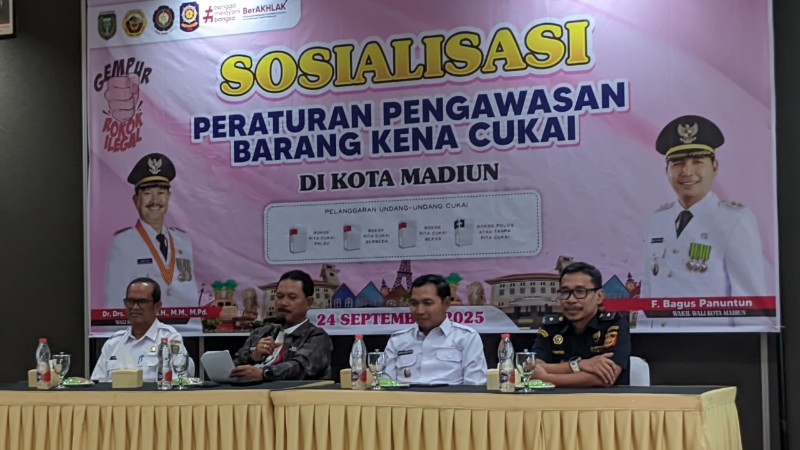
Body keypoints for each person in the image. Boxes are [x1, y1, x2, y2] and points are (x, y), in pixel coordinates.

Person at [640, 115, 766, 327]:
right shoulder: (658, 220)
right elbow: (648, 290)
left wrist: (746, 343)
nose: (687, 172)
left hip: (711, 341)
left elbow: (749, 302)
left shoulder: (734, 220)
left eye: (697, 162)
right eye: (678, 163)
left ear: (714, 166)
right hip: (659, 339)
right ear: (666, 170)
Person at [104, 153, 199, 308]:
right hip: (144, 323)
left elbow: (190, 295)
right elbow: (116, 301)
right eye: (147, 193)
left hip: (183, 323)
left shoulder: (183, 241)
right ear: (136, 200)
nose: (155, 201)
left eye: (160, 193)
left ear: (169, 196)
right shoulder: (123, 243)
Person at [531, 262, 630, 387]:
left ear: (599, 296)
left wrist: (546, 378)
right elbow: (533, 368)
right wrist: (579, 365)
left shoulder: (614, 323)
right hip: (556, 398)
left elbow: (606, 377)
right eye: (565, 292)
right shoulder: (552, 326)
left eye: (580, 292)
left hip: (604, 398)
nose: (571, 300)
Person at [383, 274, 487, 385]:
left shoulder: (467, 338)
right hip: (403, 396)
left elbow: (475, 387)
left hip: (450, 396)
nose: (419, 311)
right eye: (414, 303)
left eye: (427, 303)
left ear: (446, 303)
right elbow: (385, 384)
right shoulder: (397, 340)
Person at [231, 270, 332, 381]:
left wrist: (264, 373)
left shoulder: (317, 336)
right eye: (279, 296)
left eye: (292, 297)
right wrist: (253, 357)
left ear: (309, 302)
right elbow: (233, 367)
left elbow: (300, 367)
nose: (283, 303)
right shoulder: (260, 333)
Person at [91, 277, 191, 382]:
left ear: (157, 306)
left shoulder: (170, 339)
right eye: (130, 301)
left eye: (142, 302)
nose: (135, 307)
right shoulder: (113, 343)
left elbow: (176, 382)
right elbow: (97, 383)